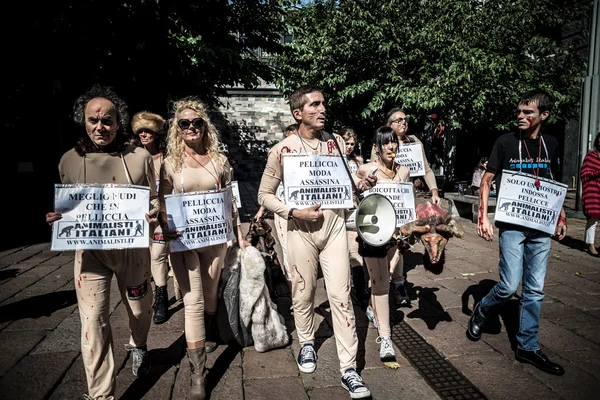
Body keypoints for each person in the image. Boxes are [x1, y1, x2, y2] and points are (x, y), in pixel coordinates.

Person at [258, 85, 375, 399]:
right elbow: (264, 196)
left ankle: (349, 369)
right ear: (298, 113)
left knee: (341, 296)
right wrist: (293, 211)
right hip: (301, 232)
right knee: (303, 292)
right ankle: (307, 343)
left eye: (324, 104)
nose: (323, 110)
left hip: (335, 229)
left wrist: (363, 181)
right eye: (315, 105)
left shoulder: (334, 143)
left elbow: (348, 183)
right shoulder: (282, 149)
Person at [45, 84, 157, 399]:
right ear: (83, 121)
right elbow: (69, 206)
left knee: (140, 309)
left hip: (132, 252)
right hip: (91, 254)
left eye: (107, 120)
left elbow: (156, 199)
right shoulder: (68, 160)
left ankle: (139, 343)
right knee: (93, 323)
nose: (100, 127)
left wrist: (154, 213)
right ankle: (100, 394)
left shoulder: (139, 157)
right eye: (93, 121)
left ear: (119, 122)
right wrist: (59, 218)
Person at [467, 90, 567, 376]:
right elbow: (487, 179)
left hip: (540, 227)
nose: (521, 117)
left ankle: (527, 346)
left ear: (544, 116)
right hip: (512, 225)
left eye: (528, 113)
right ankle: (484, 309)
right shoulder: (506, 142)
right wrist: (483, 217)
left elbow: (553, 183)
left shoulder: (552, 143)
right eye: (519, 112)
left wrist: (561, 217)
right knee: (510, 286)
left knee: (534, 290)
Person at [157, 97, 249, 399]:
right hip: (183, 243)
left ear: (204, 126)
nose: (191, 127)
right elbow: (162, 200)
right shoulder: (170, 164)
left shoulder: (220, 161)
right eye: (184, 123)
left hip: (215, 239)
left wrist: (239, 233)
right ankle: (198, 372)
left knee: (210, 294)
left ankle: (211, 325)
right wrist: (164, 224)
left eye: (196, 122)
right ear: (177, 129)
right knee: (192, 301)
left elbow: (231, 201)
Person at [355, 126, 410, 364]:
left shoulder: (405, 172)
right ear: (377, 147)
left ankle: (370, 308)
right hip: (373, 235)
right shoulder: (366, 169)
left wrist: (406, 236)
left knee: (384, 279)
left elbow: (407, 208)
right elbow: (356, 195)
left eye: (394, 142)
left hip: (395, 238)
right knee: (381, 285)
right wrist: (363, 184)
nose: (391, 147)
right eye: (385, 143)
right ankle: (386, 339)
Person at [131, 111, 174, 324]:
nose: (144, 135)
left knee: (158, 255)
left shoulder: (168, 158)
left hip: (164, 213)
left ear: (157, 134)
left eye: (148, 131)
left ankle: (161, 299)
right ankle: (148, 295)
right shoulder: (131, 157)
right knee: (146, 258)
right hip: (141, 214)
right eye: (141, 131)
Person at [254, 123, 298, 282]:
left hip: (302, 211)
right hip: (282, 210)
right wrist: (262, 210)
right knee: (286, 247)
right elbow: (268, 190)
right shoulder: (279, 156)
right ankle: (292, 283)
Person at [371, 108, 441, 205]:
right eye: (399, 120)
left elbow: (427, 170)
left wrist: (434, 192)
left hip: (408, 196)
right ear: (390, 124)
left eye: (405, 120)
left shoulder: (414, 141)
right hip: (385, 195)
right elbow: (373, 169)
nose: (404, 123)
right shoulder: (380, 144)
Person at [339, 127, 369, 309]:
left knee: (355, 251)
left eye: (352, 143)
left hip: (354, 207)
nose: (349, 146)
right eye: (346, 142)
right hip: (338, 210)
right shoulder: (332, 159)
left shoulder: (357, 162)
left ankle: (359, 288)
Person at [580, 131, 600, 257]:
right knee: (593, 219)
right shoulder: (591, 156)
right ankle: (590, 245)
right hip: (593, 192)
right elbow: (585, 173)